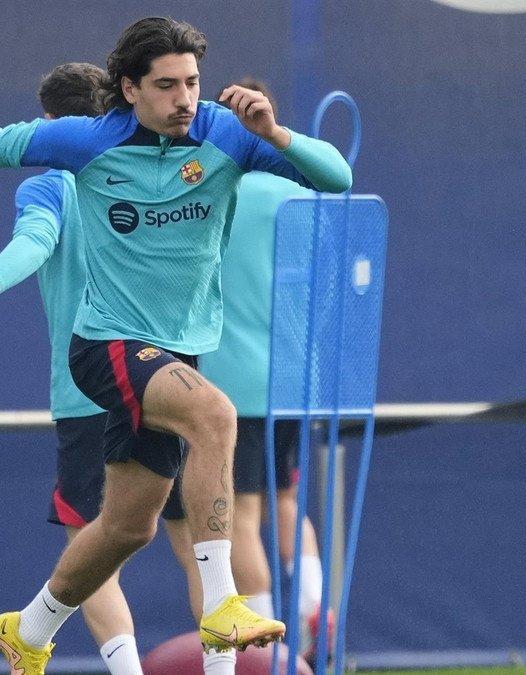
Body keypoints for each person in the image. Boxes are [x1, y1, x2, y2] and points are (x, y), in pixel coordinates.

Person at [0, 16, 352, 674]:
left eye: (192, 83)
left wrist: (275, 134)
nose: (183, 98)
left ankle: (29, 627)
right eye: (166, 85)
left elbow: (337, 177)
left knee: (125, 528)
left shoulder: (229, 136)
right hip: (108, 344)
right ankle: (225, 600)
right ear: (129, 89)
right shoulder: (87, 142)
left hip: (177, 352)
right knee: (217, 416)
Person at [0, 62, 201, 675]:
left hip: (91, 391)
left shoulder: (53, 184)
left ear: (50, 124)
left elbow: (35, 240)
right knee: (192, 534)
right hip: (168, 379)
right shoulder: (162, 170)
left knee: (92, 543)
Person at [198, 77, 330, 661]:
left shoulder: (205, 193)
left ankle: (270, 650)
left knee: (242, 514)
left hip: (229, 381)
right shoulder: (294, 193)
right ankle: (310, 614)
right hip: (291, 379)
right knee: (287, 500)